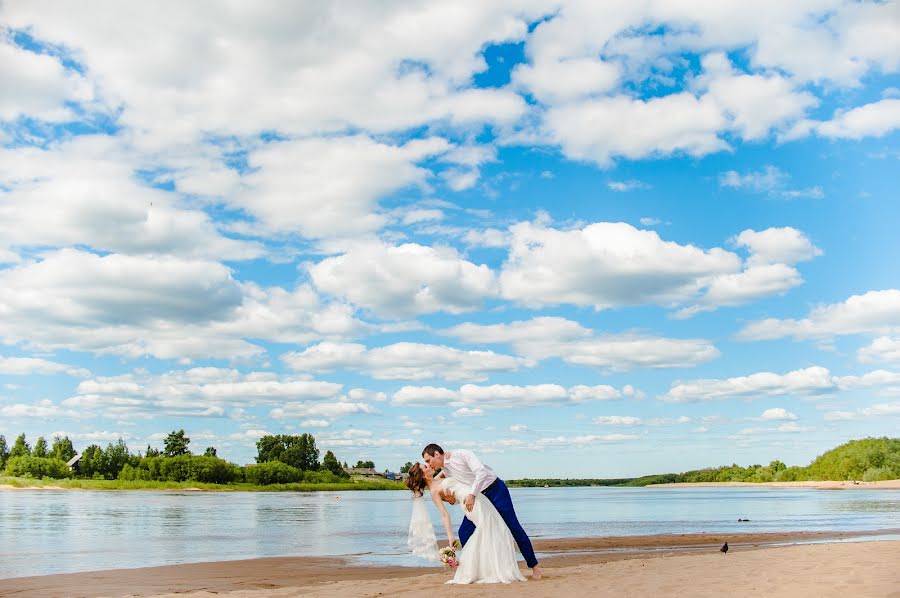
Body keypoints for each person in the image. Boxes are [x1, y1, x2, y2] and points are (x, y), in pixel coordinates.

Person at [422, 443, 542, 580]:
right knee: (464, 532)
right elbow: (460, 493)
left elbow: (481, 472)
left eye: (428, 460)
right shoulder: (446, 471)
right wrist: (450, 500)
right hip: (479, 500)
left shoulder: (462, 454)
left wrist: (472, 495)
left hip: (495, 490)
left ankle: (534, 566)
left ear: (437, 454)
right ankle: (476, 570)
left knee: (513, 527)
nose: (429, 464)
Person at [406, 462, 526, 584]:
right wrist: (450, 536)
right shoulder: (433, 491)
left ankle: (488, 568)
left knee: (496, 528)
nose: (429, 465)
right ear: (423, 476)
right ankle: (478, 569)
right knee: (487, 530)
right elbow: (444, 514)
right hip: (470, 504)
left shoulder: (438, 478)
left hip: (477, 497)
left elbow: (446, 467)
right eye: (425, 467)